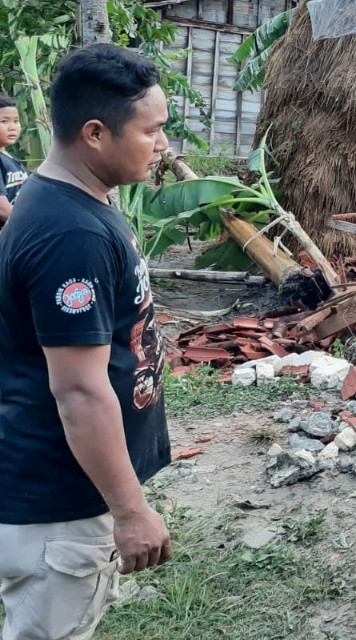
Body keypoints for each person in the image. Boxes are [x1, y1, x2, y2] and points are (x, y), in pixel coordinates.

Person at [0, 43, 173, 640]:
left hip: (70, 490)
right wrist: (129, 512)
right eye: (152, 132)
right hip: (60, 502)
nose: (164, 146)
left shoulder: (77, 200)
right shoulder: (68, 230)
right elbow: (77, 390)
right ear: (96, 132)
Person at [0, 94, 28, 226]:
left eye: (16, 121)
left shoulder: (11, 160)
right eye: (4, 121)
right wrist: (31, 224)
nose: (12, 127)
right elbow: (2, 209)